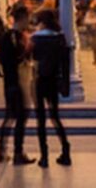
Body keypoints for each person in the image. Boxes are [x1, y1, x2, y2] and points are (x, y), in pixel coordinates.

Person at [30, 9, 72, 168]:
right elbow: (65, 64)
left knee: (41, 119)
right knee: (55, 116)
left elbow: (32, 57)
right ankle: (66, 150)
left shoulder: (36, 39)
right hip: (54, 80)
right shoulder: (59, 38)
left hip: (40, 80)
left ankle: (44, 155)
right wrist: (65, 85)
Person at [0, 4, 34, 165]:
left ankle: (3, 151)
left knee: (11, 116)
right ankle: (17, 152)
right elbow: (12, 59)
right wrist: (26, 51)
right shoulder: (13, 37)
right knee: (20, 115)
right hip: (15, 82)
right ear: (22, 18)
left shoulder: (13, 36)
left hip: (14, 82)